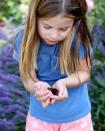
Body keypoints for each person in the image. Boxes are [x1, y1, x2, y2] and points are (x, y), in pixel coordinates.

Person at [13, 0, 94, 130]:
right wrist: (37, 88)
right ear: (35, 17)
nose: (53, 35)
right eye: (47, 27)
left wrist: (64, 83)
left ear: (74, 23)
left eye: (63, 29)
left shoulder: (78, 39)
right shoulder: (24, 40)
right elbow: (28, 78)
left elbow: (84, 72)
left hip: (77, 118)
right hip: (40, 118)